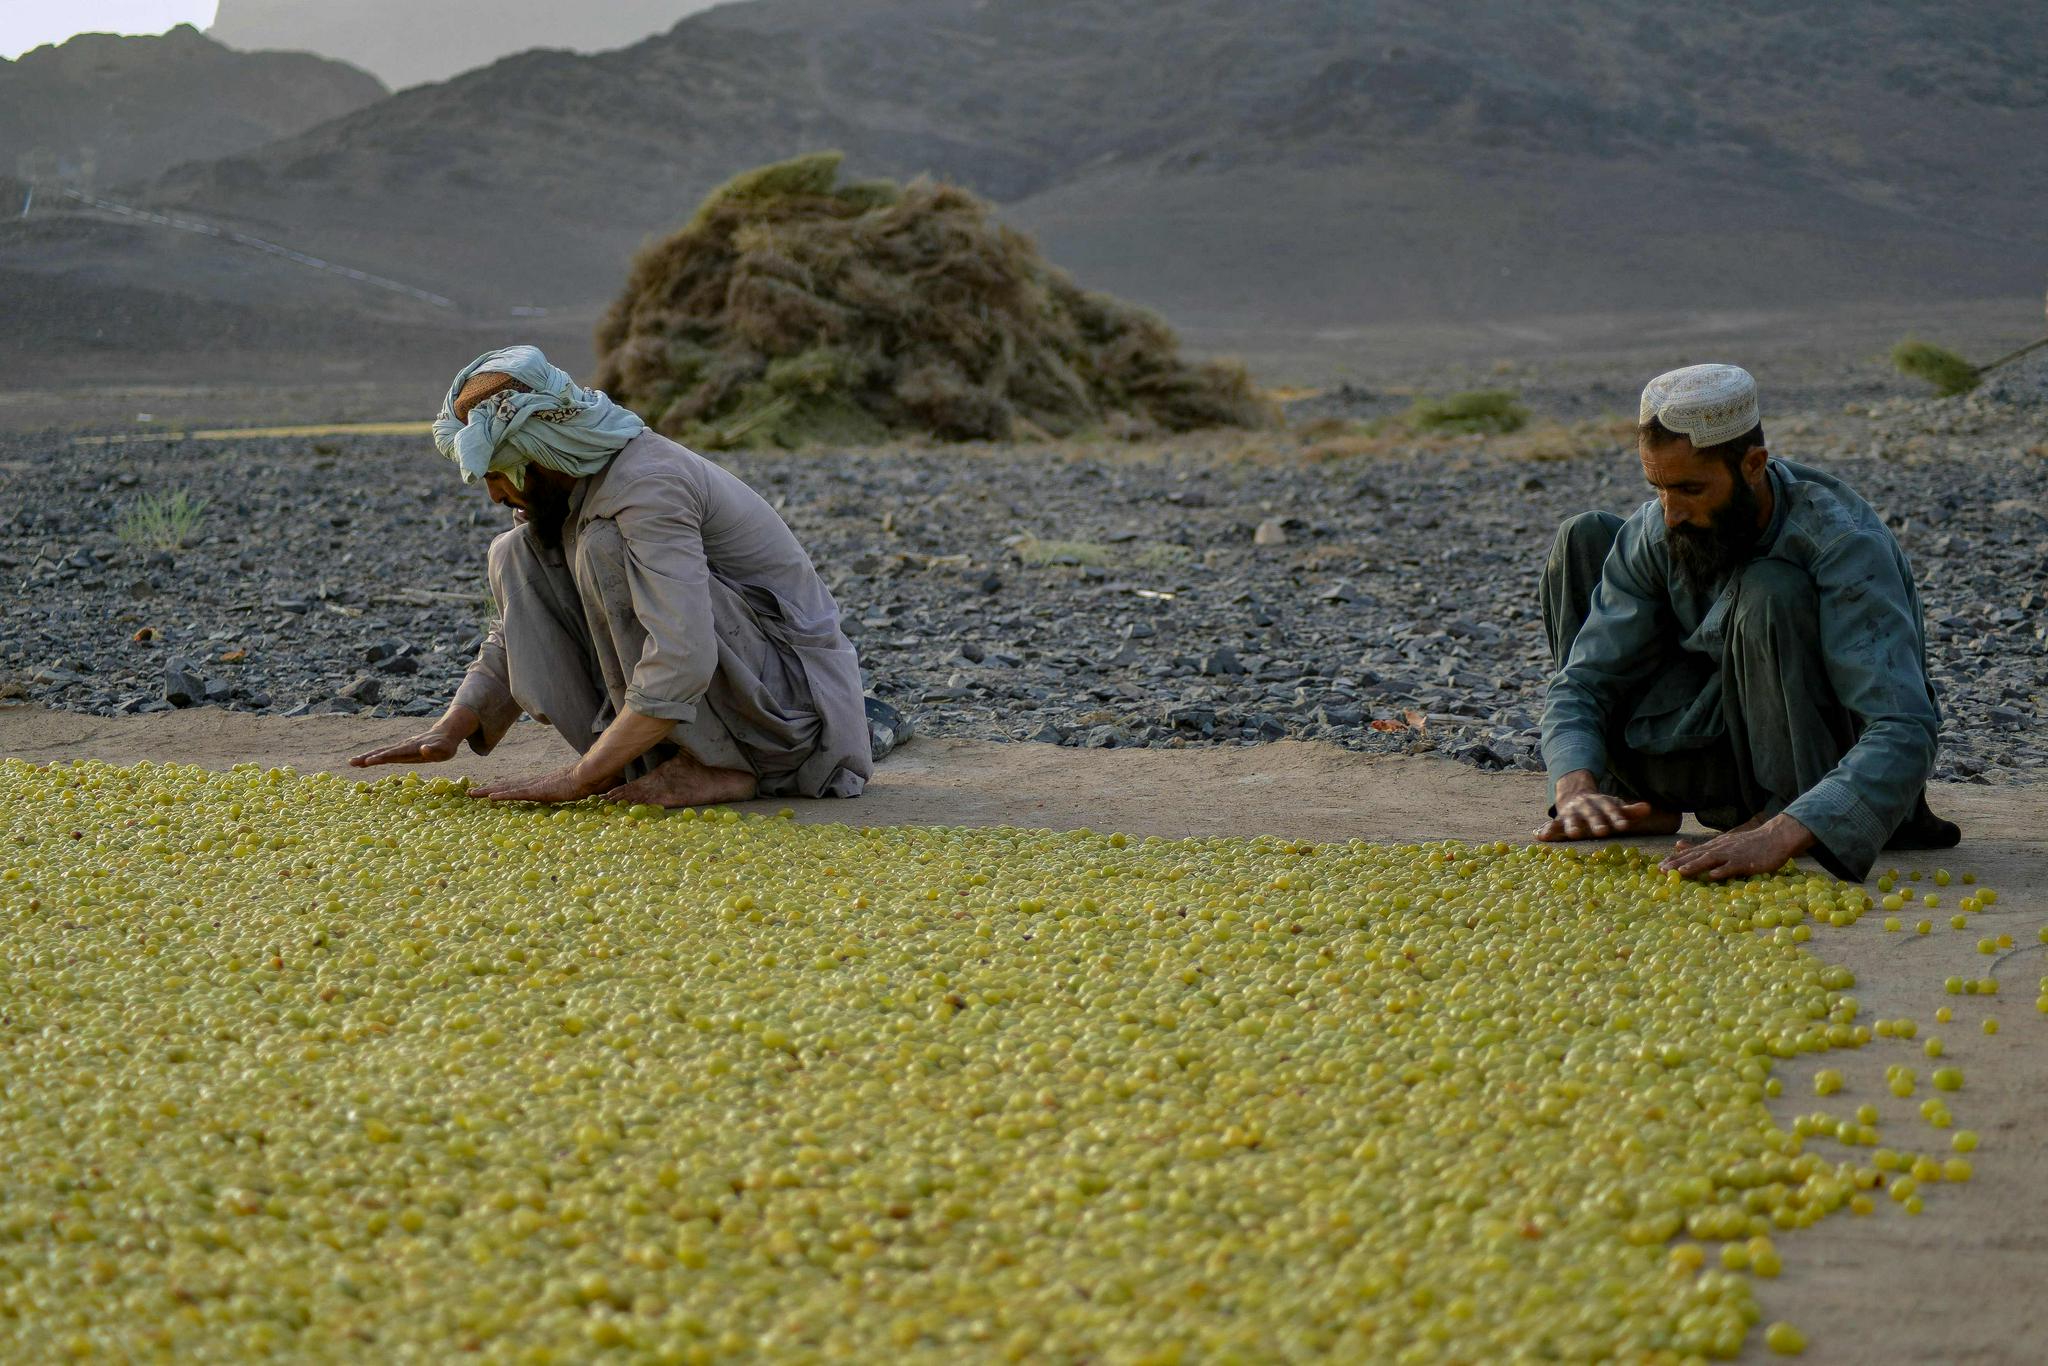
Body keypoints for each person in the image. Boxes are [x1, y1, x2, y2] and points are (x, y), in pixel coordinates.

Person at [351, 346, 873, 805]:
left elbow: (683, 655)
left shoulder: (649, 486)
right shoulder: (560, 491)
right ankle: (651, 756)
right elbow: (518, 627)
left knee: (603, 546)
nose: (494, 495)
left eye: (499, 475)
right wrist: (451, 727)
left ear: (543, 454)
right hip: (729, 699)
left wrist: (577, 778)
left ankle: (717, 764)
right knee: (514, 551)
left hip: (792, 718)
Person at [1535, 363, 1958, 882]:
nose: (1671, 513)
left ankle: (1787, 812)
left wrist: (1779, 835)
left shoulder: (1839, 542)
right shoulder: (1657, 530)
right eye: (1659, 488)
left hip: (1815, 762)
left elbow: (1905, 726)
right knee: (1584, 537)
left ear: (1754, 465)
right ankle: (1634, 798)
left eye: (1691, 489)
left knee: (1770, 588)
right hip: (1720, 739)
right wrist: (1574, 786)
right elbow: (1584, 682)